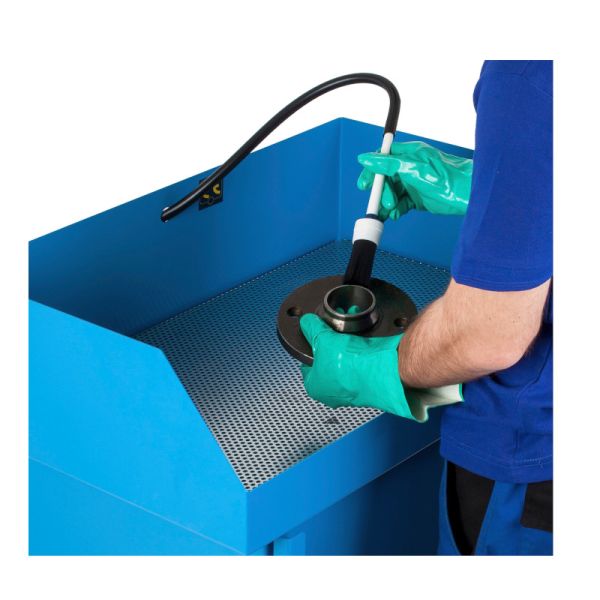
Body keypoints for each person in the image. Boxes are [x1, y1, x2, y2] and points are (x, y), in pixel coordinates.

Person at [299, 60, 552, 555]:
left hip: (531, 472)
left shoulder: (528, 70)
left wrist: (374, 369)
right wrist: (497, 191)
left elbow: (486, 334)